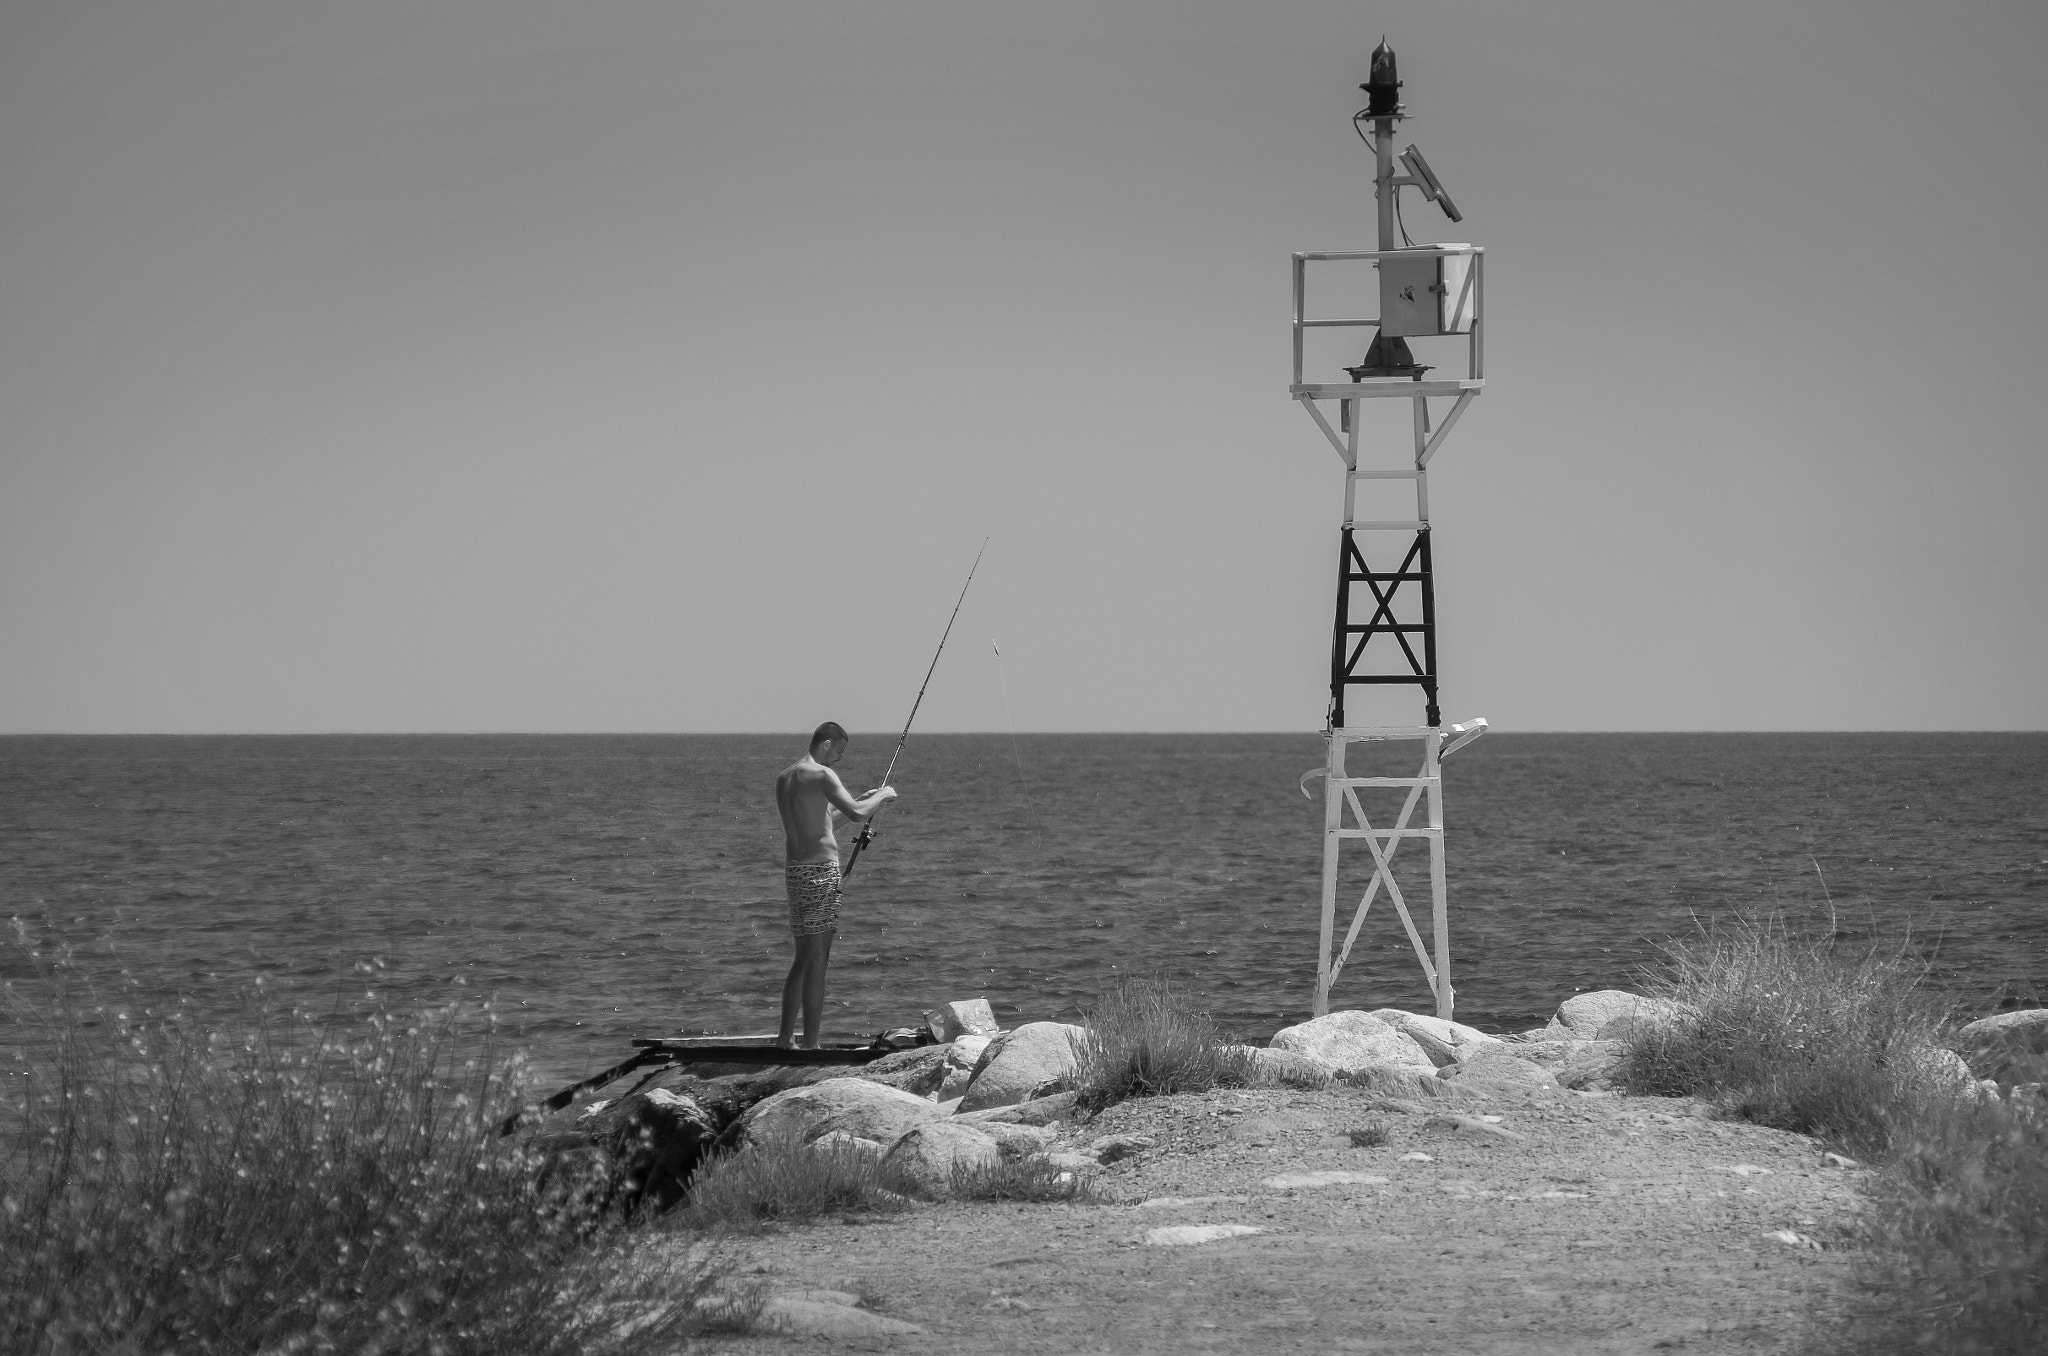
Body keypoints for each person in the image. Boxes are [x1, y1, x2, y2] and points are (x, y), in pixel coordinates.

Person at [773, 721, 895, 1048]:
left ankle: (785, 1039)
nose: (838, 760)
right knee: (818, 962)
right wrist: (882, 795)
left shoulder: (785, 778)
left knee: (802, 958)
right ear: (826, 744)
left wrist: (867, 799)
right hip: (821, 874)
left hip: (795, 873)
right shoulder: (823, 775)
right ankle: (811, 1044)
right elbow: (856, 814)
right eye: (838, 751)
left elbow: (826, 821)